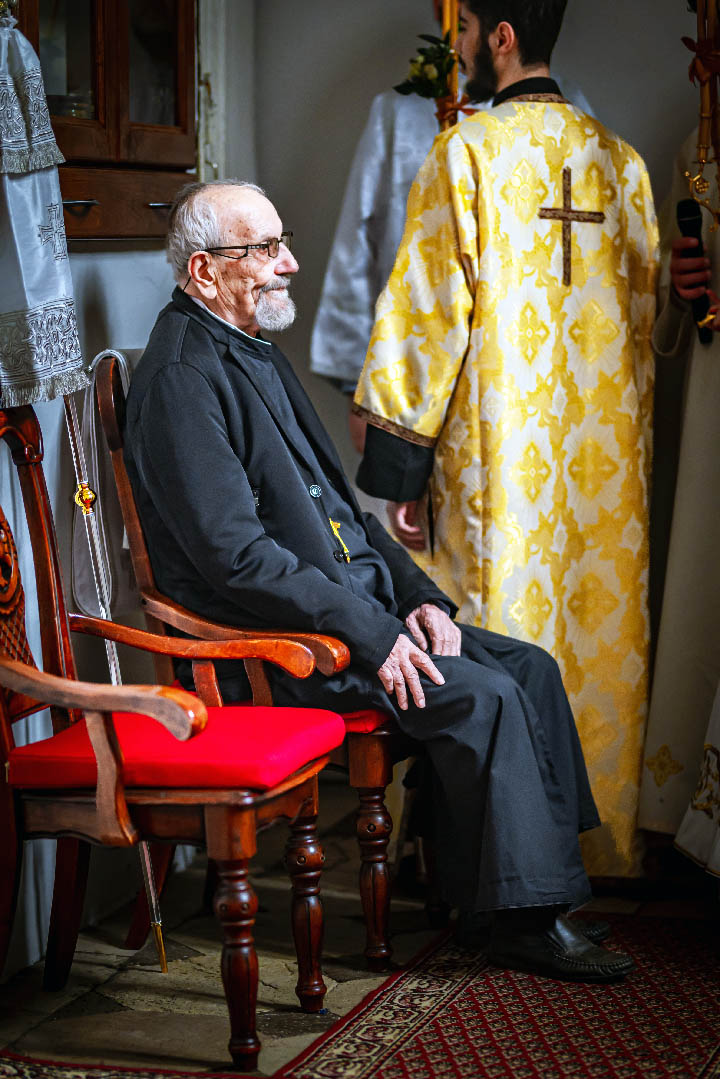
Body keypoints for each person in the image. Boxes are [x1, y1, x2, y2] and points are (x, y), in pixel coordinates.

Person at [124, 179, 634, 982]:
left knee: (530, 667)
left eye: (282, 243)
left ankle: (511, 899)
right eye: (264, 249)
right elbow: (236, 559)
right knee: (484, 695)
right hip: (281, 650)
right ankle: (521, 919)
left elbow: (349, 520)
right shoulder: (183, 377)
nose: (289, 263)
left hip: (351, 614)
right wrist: (374, 633)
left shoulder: (249, 346)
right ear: (203, 271)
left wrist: (420, 599)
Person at [353, 0, 659, 878]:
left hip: (499, 461)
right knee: (594, 643)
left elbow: (426, 318)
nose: (455, 48)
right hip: (607, 475)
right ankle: (599, 846)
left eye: (464, 32)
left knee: (490, 633)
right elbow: (648, 326)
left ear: (501, 37)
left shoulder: (468, 152)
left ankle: (493, 863)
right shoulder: (623, 164)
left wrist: (401, 473)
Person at [309, 1, 594, 454]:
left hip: (532, 365)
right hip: (417, 367)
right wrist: (357, 384)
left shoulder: (567, 107)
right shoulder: (400, 112)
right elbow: (356, 248)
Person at [637, 124, 720, 868]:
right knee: (701, 583)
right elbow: (669, 321)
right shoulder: (701, 144)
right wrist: (679, 287)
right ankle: (681, 814)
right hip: (712, 396)